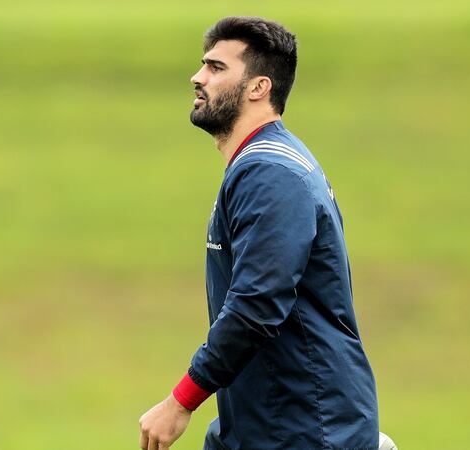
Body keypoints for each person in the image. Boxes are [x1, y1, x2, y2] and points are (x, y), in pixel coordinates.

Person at [139, 16, 383, 450]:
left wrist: (181, 402)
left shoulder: (269, 173)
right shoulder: (267, 162)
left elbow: (256, 304)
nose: (198, 78)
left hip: (304, 429)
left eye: (216, 68)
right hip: (274, 423)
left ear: (258, 87)